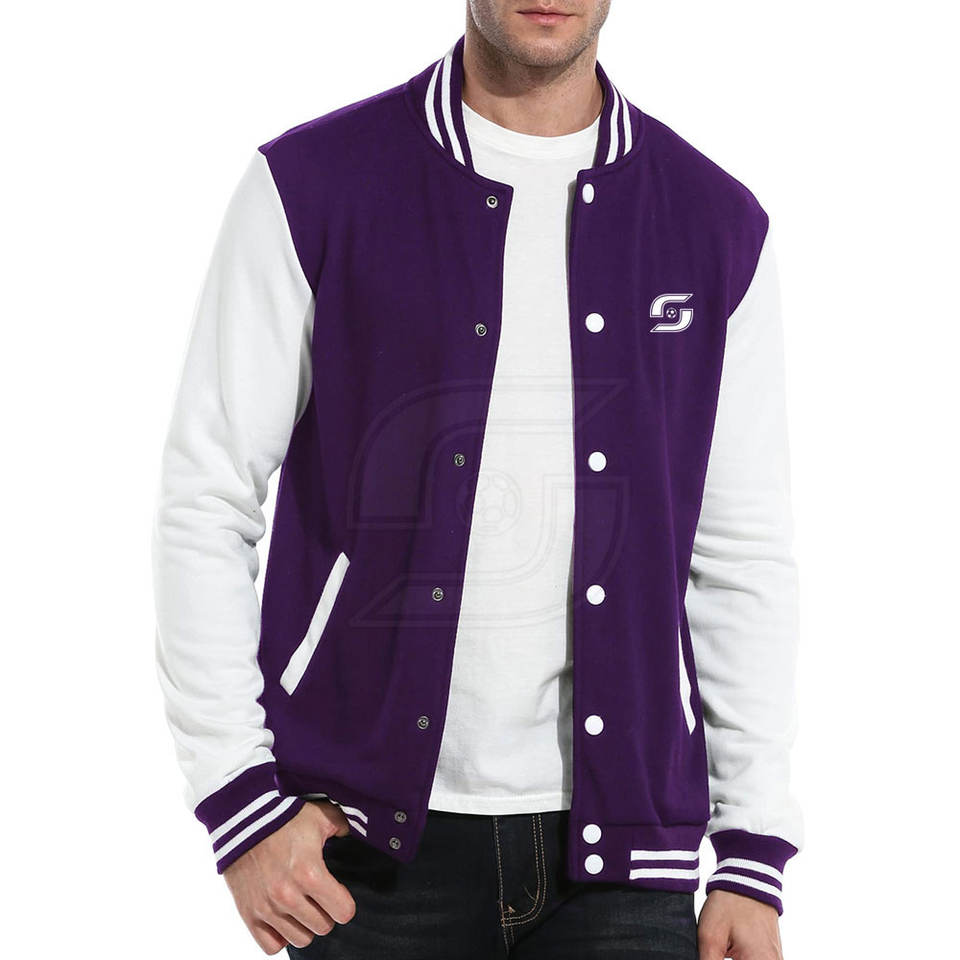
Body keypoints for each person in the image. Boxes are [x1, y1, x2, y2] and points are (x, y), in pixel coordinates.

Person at [151, 2, 802, 957]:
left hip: (625, 860)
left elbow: (740, 553)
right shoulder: (314, 184)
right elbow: (206, 498)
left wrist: (751, 849)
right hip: (360, 846)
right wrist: (238, 801)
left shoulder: (714, 223)